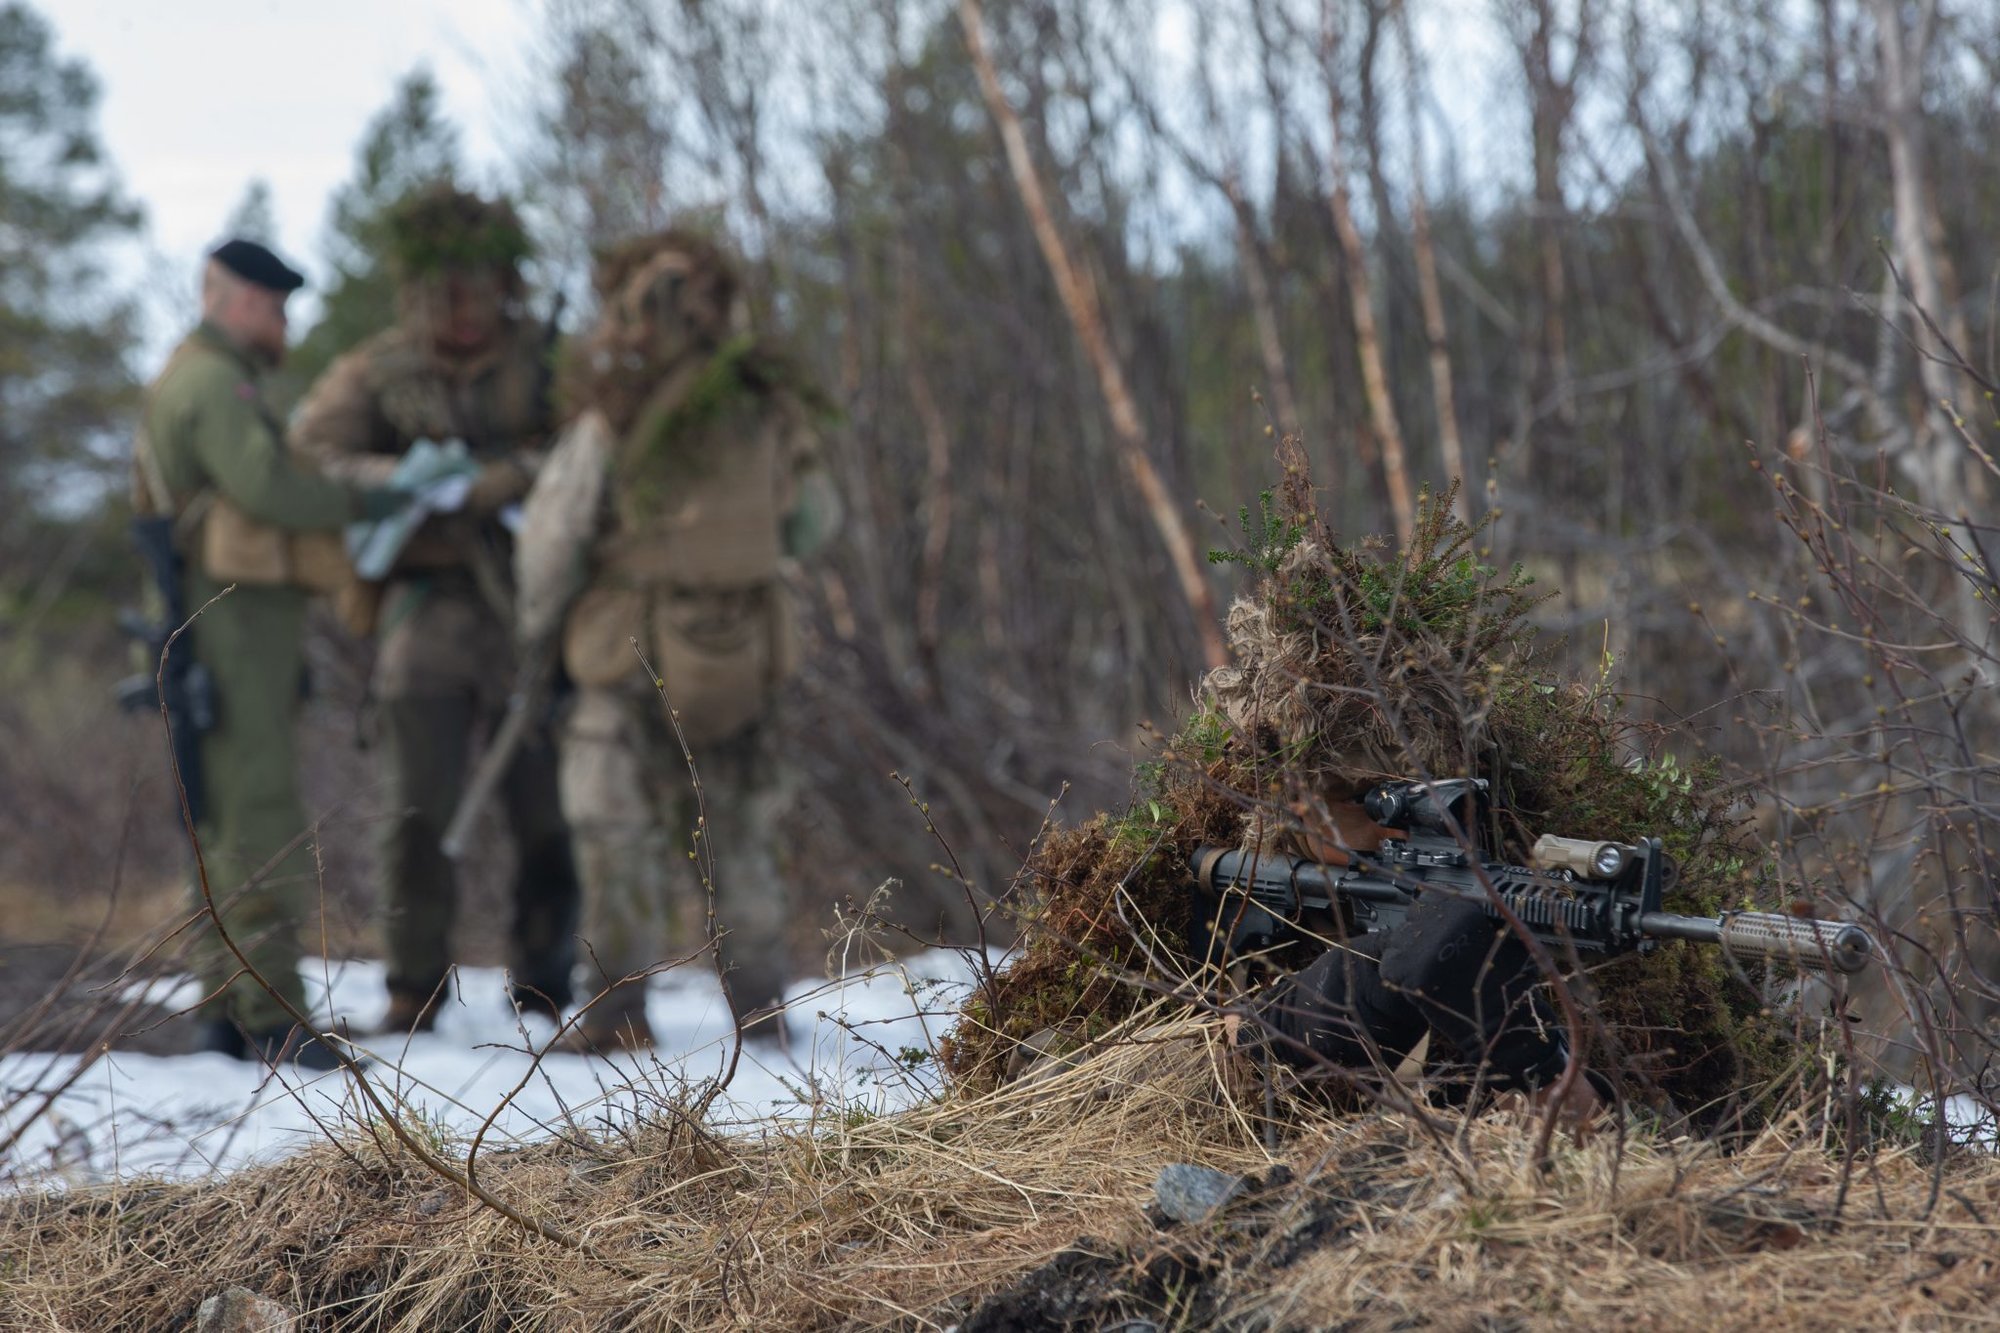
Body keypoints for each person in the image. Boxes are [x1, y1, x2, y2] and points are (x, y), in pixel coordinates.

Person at [513, 231, 840, 1049]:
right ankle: (761, 1011)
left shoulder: (613, 413)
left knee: (615, 833)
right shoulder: (768, 408)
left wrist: (536, 633)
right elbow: (812, 519)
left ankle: (617, 1016)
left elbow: (553, 536)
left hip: (626, 652)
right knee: (742, 836)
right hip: (743, 652)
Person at [289, 185, 581, 1033]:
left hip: (531, 610)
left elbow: (594, 441)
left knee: (548, 811)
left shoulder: (547, 358)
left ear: (506, 285)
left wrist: (512, 479)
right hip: (425, 610)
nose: (461, 310)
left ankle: (545, 985)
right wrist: (399, 482)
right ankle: (413, 987)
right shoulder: (378, 370)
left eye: (478, 288)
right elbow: (312, 454)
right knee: (415, 810)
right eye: (443, 291)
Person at [132, 238, 402, 1069]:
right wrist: (366, 493)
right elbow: (267, 488)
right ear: (229, 297)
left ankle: (225, 1009)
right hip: (231, 630)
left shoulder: (200, 375)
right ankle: (274, 1014)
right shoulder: (215, 382)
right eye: (272, 302)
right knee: (256, 816)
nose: (282, 319)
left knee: (222, 820)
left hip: (228, 628)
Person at [1251, 801, 1607, 1125]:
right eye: (1353, 800)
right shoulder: (1256, 893)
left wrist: (1533, 1060)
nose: (1395, 832)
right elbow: (1212, 1073)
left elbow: (1594, 1152)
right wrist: (1288, 1016)